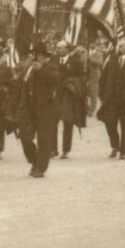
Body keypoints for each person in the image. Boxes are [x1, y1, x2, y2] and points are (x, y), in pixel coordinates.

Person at [18, 41, 60, 178]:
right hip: (29, 108)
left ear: (44, 57)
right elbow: (21, 85)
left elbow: (55, 81)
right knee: (24, 136)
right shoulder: (28, 69)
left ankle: (41, 168)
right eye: (33, 55)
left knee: (44, 140)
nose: (35, 58)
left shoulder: (51, 67)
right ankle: (34, 160)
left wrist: (41, 70)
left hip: (46, 108)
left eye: (38, 55)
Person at [96, 41, 125, 159]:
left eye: (122, 46)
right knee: (109, 122)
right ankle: (115, 145)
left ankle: (124, 151)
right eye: (119, 46)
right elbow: (103, 77)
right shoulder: (112, 59)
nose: (120, 48)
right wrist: (102, 94)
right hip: (112, 98)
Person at [54, 40, 88, 158]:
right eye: (57, 48)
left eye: (60, 48)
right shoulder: (53, 61)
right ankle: (53, 149)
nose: (58, 50)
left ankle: (66, 149)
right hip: (56, 94)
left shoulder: (75, 62)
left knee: (67, 121)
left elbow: (82, 77)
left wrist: (73, 84)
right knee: (53, 121)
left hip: (69, 95)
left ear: (67, 49)